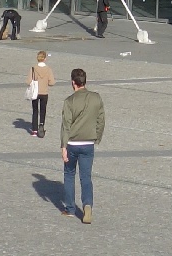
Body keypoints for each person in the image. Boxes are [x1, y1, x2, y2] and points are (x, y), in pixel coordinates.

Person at [59, 67, 105, 224]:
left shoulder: (69, 101)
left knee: (69, 174)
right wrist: (96, 137)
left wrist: (63, 146)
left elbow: (66, 125)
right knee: (86, 177)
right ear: (85, 81)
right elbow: (101, 120)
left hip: (72, 143)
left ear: (73, 83)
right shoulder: (96, 98)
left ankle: (70, 208)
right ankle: (87, 205)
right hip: (88, 144)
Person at [27, 50, 54, 138]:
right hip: (44, 92)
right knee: (43, 110)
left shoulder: (33, 68)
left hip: (35, 92)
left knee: (35, 110)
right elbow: (52, 82)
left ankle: (34, 130)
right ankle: (41, 125)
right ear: (45, 59)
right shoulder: (48, 69)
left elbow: (28, 81)